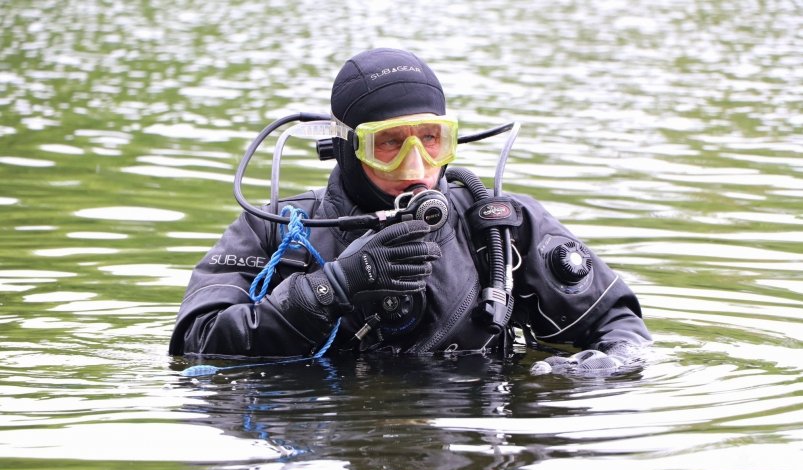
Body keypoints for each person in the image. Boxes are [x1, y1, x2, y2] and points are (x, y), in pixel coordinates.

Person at [169, 48, 651, 374]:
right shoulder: (278, 232)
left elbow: (622, 327)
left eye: (432, 140)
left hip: (465, 446)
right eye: (390, 145)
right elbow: (194, 345)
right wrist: (330, 288)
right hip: (331, 441)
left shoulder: (501, 230)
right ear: (345, 149)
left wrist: (606, 366)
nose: (416, 166)